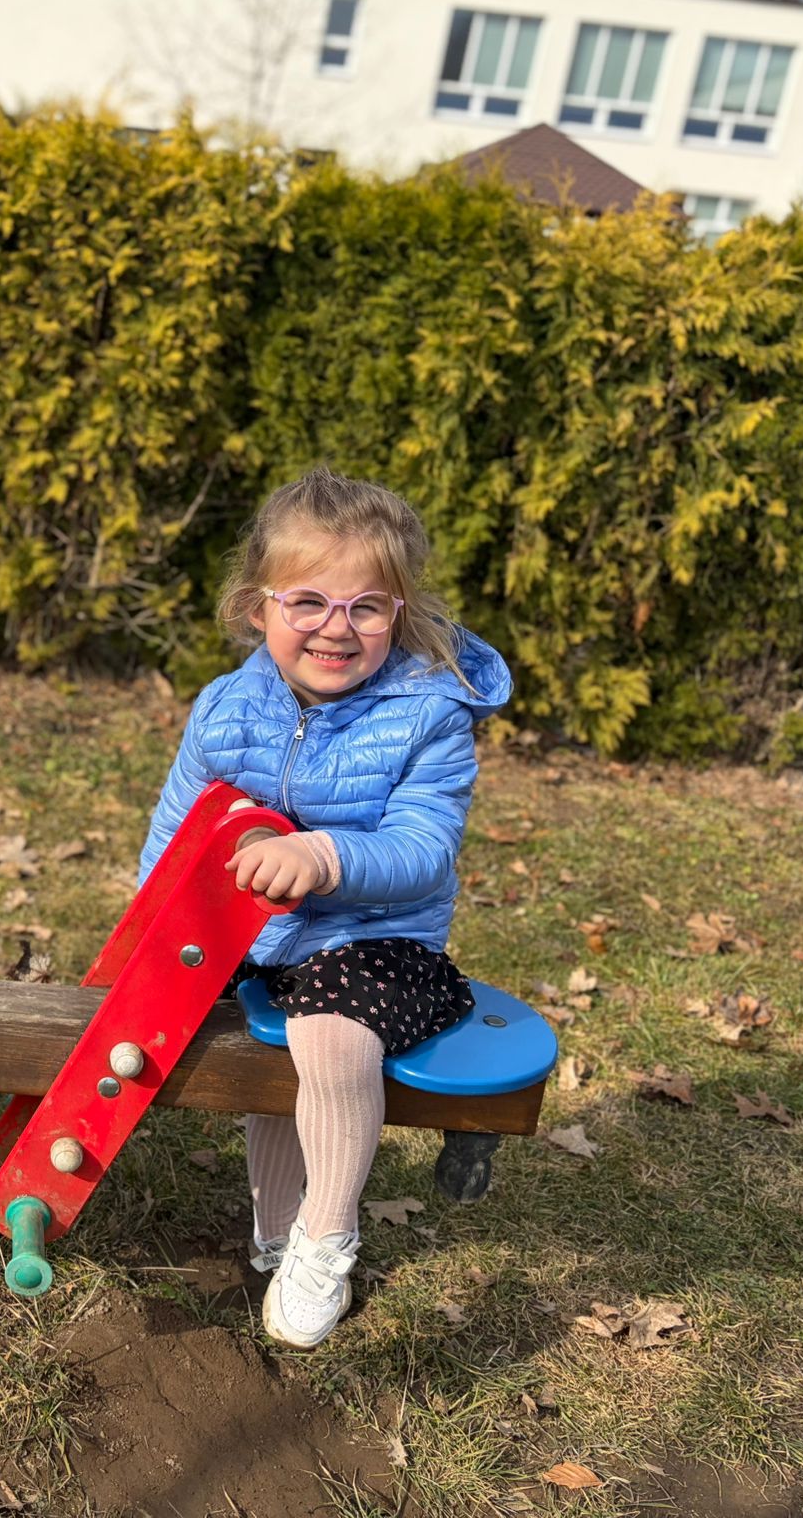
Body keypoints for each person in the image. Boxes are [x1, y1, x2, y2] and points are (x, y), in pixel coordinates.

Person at [139, 466, 510, 1348]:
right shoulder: (226, 710)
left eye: (366, 608)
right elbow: (177, 833)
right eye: (307, 601)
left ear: (399, 613)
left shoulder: (428, 715)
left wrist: (324, 855)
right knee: (238, 1045)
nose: (335, 629)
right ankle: (275, 1232)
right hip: (258, 937)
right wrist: (157, 919)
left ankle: (326, 1236)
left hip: (380, 940)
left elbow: (424, 848)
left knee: (329, 1032)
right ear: (257, 606)